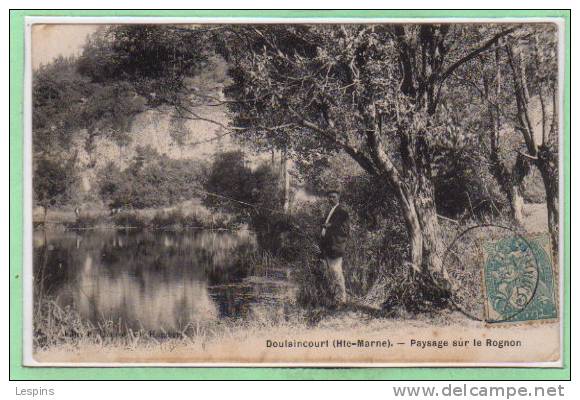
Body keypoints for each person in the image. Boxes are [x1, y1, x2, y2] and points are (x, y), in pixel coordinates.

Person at [319, 188, 350, 306]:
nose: (331, 199)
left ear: (338, 198)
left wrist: (330, 226)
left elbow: (345, 230)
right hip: (328, 247)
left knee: (336, 272)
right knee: (332, 274)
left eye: (333, 197)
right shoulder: (330, 211)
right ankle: (335, 300)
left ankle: (341, 300)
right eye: (329, 197)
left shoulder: (342, 212)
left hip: (335, 248)